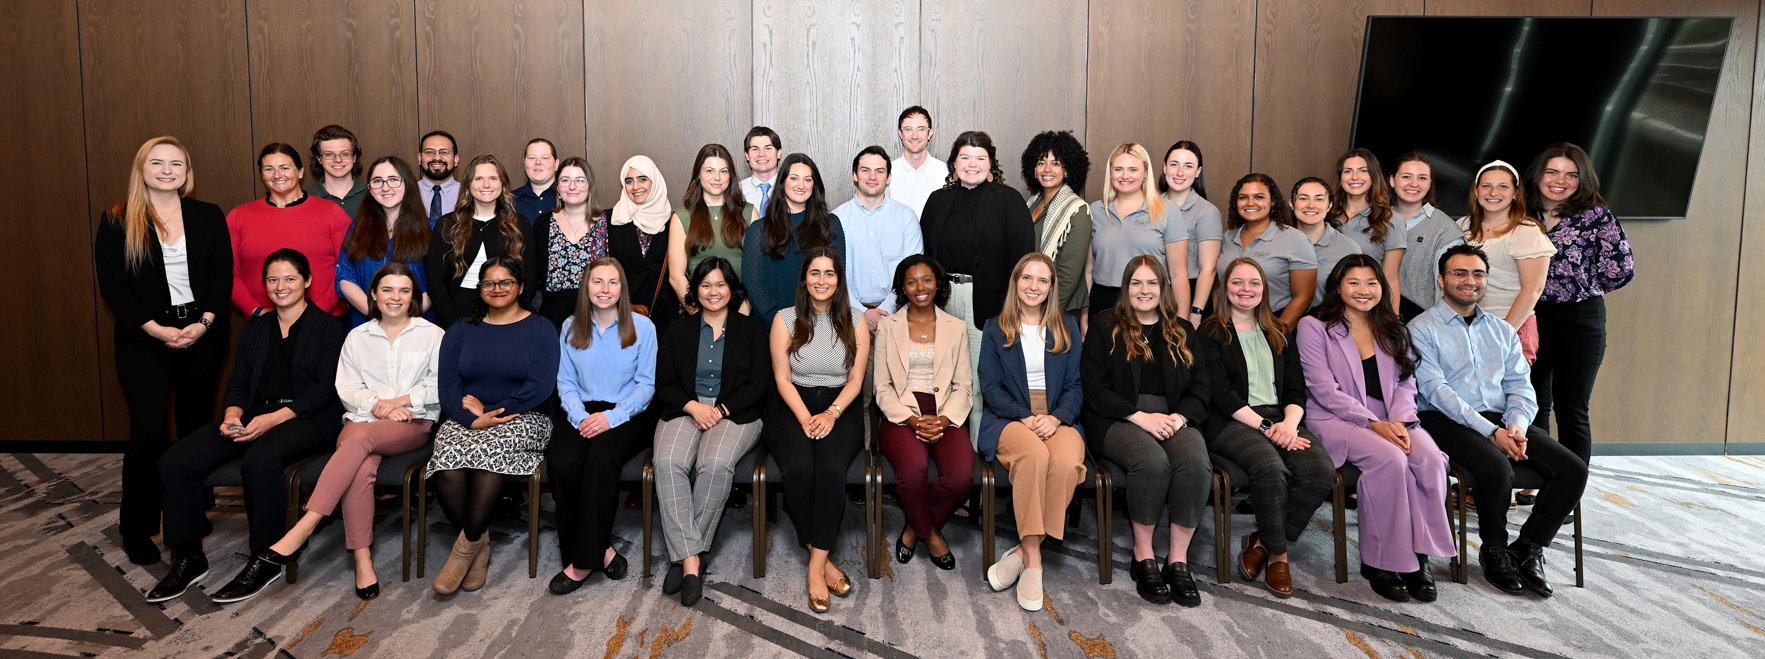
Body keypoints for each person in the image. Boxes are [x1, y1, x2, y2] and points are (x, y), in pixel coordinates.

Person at [223, 262, 443, 602]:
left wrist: (397, 403)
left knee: (360, 440)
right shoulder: (357, 336)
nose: (395, 297)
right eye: (387, 289)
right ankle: (362, 559)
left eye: (404, 290)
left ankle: (304, 527)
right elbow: (347, 388)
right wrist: (378, 406)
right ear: (373, 294)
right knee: (361, 467)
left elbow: (437, 385)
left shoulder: (432, 335)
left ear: (413, 296)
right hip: (361, 418)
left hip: (411, 422)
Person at [147, 249, 345, 603]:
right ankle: (188, 556)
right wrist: (232, 415)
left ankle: (266, 557)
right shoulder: (256, 327)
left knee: (260, 460)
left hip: (308, 419)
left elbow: (325, 390)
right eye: (273, 280)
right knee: (175, 462)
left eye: (290, 279)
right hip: (254, 414)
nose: (281, 286)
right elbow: (238, 382)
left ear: (307, 281)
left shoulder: (329, 328)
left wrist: (273, 419)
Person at [1410, 245, 1588, 598]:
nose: (1470, 281)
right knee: (1495, 467)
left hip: (1502, 418)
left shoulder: (1502, 330)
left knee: (1573, 469)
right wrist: (1492, 432)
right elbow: (1437, 391)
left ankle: (1528, 547)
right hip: (1444, 419)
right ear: (1441, 280)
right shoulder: (1421, 329)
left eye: (1478, 274)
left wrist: (1517, 426)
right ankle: (1494, 550)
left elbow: (1520, 386)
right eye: (1460, 273)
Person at [94, 136, 232, 566]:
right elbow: (114, 287)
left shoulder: (208, 215)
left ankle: (188, 516)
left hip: (201, 332)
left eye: (176, 163)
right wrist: (156, 329)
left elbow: (222, 274)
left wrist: (203, 323)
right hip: (144, 337)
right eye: (157, 162)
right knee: (149, 433)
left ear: (187, 172)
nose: (167, 170)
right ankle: (136, 527)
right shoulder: (117, 220)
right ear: (142, 169)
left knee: (195, 428)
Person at [1297, 255, 1454, 603]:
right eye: (1353, 282)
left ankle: (1418, 556)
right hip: (1337, 418)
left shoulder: (1392, 326)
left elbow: (1406, 382)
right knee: (1391, 460)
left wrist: (1397, 421)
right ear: (1338, 287)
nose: (1363, 290)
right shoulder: (1314, 326)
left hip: (1393, 416)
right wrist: (1374, 423)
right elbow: (1323, 390)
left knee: (1429, 459)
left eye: (1371, 283)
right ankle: (1381, 561)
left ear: (1382, 287)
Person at [1195, 258, 1333, 599]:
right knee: (1270, 468)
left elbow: (1296, 390)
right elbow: (1220, 393)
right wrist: (1268, 427)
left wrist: (1289, 423)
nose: (1246, 289)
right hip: (1231, 420)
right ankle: (1279, 556)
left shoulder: (1280, 331)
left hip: (1281, 418)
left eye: (1254, 283)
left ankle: (1261, 541)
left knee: (1319, 471)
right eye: (1237, 282)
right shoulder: (1211, 332)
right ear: (1224, 289)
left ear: (1264, 289)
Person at [1080, 255, 1211, 607]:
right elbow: (1094, 388)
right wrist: (1140, 417)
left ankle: (1178, 560)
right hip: (1117, 416)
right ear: (1126, 288)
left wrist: (1180, 418)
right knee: (1152, 462)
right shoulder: (1105, 325)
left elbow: (1201, 388)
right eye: (1136, 283)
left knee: (1195, 464)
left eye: (1152, 283)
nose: (1144, 290)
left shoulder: (1181, 329)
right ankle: (1144, 556)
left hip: (1173, 415)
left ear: (1163, 288)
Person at [426, 257, 559, 596]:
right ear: (480, 288)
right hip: (466, 417)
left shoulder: (541, 328)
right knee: (445, 462)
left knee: (489, 456)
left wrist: (489, 412)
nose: (497, 288)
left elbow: (540, 386)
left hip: (524, 415)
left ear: (520, 287)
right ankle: (479, 541)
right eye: (489, 283)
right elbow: (448, 387)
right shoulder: (460, 330)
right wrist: (472, 419)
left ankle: (463, 550)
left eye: (505, 282)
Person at [651, 258, 769, 606]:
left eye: (720, 284)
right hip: (686, 407)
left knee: (714, 464)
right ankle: (692, 560)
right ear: (696, 290)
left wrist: (719, 409)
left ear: (731, 289)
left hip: (735, 412)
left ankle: (684, 557)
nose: (713, 292)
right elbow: (665, 383)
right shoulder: (678, 331)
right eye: (705, 285)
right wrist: (694, 407)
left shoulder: (751, 330)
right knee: (667, 462)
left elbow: (758, 384)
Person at [977, 253, 1085, 613]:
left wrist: (1056, 418)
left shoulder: (1067, 327)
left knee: (1067, 462)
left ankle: (1023, 550)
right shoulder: (995, 328)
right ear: (1015, 282)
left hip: (1057, 416)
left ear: (1052, 287)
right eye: (1027, 278)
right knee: (1035, 456)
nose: (1034, 286)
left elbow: (1076, 384)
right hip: (1010, 418)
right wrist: (1024, 416)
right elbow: (991, 387)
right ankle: (1035, 561)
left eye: (1042, 280)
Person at [766, 247, 869, 613]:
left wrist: (831, 413)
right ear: (804, 279)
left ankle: (814, 567)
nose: (822, 280)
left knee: (830, 469)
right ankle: (823, 561)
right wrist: (805, 416)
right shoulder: (784, 319)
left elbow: (856, 380)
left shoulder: (856, 321)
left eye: (829, 273)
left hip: (840, 405)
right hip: (792, 403)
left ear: (838, 280)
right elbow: (782, 379)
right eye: (815, 273)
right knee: (798, 467)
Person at [548, 258, 658, 595]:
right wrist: (580, 417)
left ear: (622, 289)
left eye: (613, 282)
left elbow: (646, 386)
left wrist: (611, 418)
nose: (605, 289)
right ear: (587, 287)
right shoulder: (570, 327)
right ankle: (603, 549)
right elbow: (565, 382)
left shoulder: (643, 327)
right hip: (581, 410)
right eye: (597, 282)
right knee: (563, 462)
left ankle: (581, 563)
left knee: (600, 459)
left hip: (628, 413)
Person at [1525, 143, 1634, 467]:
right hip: (1529, 317)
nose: (1560, 181)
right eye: (1552, 172)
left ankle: (1570, 487)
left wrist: (1580, 286)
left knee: (1571, 408)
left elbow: (1622, 268)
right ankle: (1537, 477)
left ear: (1582, 179)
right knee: (1531, 403)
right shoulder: (1521, 213)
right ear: (1538, 174)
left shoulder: (1596, 216)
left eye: (1571, 174)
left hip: (1579, 320)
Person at [921, 131, 1036, 429]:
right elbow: (925, 255)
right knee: (941, 375)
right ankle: (946, 441)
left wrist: (1013, 306)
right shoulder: (937, 201)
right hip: (942, 299)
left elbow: (1023, 260)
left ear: (991, 163)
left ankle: (976, 446)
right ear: (953, 162)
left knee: (975, 379)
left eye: (980, 158)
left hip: (985, 300)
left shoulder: (1009, 201)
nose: (972, 164)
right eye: (965, 157)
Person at [874, 255, 973, 570]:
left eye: (927, 280)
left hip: (944, 411)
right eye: (912, 281)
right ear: (902, 288)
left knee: (960, 477)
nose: (920, 288)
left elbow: (963, 385)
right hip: (901, 413)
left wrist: (944, 419)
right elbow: (882, 387)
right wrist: (911, 419)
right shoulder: (888, 326)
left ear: (938, 284)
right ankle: (931, 535)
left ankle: (914, 527)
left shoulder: (956, 327)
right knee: (912, 470)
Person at [229, 143, 352, 317]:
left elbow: (347, 269)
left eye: (284, 168)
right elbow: (229, 273)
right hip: (262, 321)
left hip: (325, 318)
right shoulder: (238, 217)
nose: (277, 175)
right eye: (269, 169)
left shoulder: (331, 213)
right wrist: (255, 310)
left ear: (300, 172)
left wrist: (315, 314)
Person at [425, 155, 541, 327]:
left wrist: (511, 316)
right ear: (468, 184)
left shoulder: (519, 224)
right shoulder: (448, 224)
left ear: (502, 184)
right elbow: (435, 282)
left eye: (493, 178)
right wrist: (452, 324)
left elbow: (529, 279)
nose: (486, 185)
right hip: (456, 316)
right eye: (478, 179)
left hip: (508, 316)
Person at [1458, 161, 1556, 363]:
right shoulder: (1462, 226)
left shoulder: (1526, 231)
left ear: (1515, 193)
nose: (1493, 192)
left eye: (1503, 186)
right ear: (1476, 191)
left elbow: (1533, 290)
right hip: (1465, 328)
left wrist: (1502, 335)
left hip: (1510, 329)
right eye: (1486, 186)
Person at [742, 153, 847, 321]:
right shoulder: (758, 230)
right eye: (794, 178)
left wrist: (814, 323)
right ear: (782, 182)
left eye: (808, 179)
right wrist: (780, 324)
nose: (801, 185)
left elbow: (835, 277)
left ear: (814, 185)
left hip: (820, 322)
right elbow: (753, 285)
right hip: (770, 325)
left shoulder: (830, 225)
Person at [336, 156, 431, 327]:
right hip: (366, 323)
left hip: (417, 325)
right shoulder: (357, 229)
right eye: (377, 181)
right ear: (370, 189)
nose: (385, 187)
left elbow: (437, 283)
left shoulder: (431, 229)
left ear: (407, 184)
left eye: (393, 179)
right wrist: (376, 315)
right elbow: (345, 276)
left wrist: (403, 318)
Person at [836, 145, 924, 331]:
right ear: (854, 175)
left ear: (889, 177)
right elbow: (832, 273)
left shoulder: (906, 218)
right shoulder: (836, 219)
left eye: (879, 171)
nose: (872, 177)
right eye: (865, 170)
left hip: (898, 315)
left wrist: (885, 311)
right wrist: (861, 313)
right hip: (848, 316)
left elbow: (912, 270)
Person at [1218, 173, 1316, 332]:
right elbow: (1219, 285)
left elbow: (1304, 296)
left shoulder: (1295, 239)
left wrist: (1277, 333)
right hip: (1229, 326)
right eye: (1243, 197)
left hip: (1273, 324)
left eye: (1259, 197)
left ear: (1272, 201)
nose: (1250, 203)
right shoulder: (1227, 237)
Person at [1087, 143, 1177, 313]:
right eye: (1118, 169)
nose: (1125, 176)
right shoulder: (1096, 210)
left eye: (1133, 170)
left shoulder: (1167, 210)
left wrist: (1182, 319)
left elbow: (1178, 275)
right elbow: (1088, 272)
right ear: (1110, 173)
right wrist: (1085, 313)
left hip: (1149, 300)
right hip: (1103, 302)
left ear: (1145, 172)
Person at [666, 144, 755, 313]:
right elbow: (676, 277)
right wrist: (700, 317)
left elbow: (757, 272)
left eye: (723, 171)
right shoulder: (682, 216)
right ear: (698, 174)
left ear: (731, 175)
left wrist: (742, 315)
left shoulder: (749, 213)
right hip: (699, 311)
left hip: (742, 311)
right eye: (709, 171)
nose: (717, 177)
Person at [1020, 130, 1092, 318]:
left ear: (1067, 170)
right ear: (1033, 169)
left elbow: (1069, 274)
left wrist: (1049, 312)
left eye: (1055, 163)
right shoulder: (1031, 203)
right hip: (1032, 299)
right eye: (1041, 162)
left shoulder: (1077, 210)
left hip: (1060, 307)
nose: (1047, 169)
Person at [1388, 152, 1463, 320]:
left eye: (1422, 178)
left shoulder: (1446, 231)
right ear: (1392, 180)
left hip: (1421, 322)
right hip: (1372, 316)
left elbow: (1451, 291)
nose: (1414, 183)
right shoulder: (1376, 221)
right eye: (1406, 176)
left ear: (1429, 184)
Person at [534, 157, 608, 326]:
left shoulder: (606, 223)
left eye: (580, 180)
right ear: (557, 187)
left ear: (589, 186)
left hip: (596, 315)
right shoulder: (543, 223)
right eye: (565, 180)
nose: (572, 187)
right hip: (552, 317)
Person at [1330, 148, 1406, 312]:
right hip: (1323, 307)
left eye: (1362, 170)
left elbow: (1390, 278)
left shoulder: (1390, 219)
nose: (1354, 177)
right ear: (1340, 177)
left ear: (1373, 175)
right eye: (1348, 171)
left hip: (1366, 308)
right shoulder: (1326, 214)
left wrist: (1393, 321)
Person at [1158, 141, 1223, 325]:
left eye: (1188, 166)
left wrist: (1195, 313)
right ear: (1165, 167)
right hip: (1154, 293)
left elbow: (1208, 269)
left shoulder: (1207, 212)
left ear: (1197, 172)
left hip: (1194, 294)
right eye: (1174, 164)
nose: (1180, 172)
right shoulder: (1150, 206)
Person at [609, 155, 677, 324]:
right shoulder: (611, 218)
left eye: (643, 179)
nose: (635, 187)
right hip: (619, 313)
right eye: (629, 181)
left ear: (655, 181)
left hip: (664, 314)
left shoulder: (673, 220)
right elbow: (598, 267)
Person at [1290, 176, 1362, 306]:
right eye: (1303, 198)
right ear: (1291, 203)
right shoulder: (1277, 242)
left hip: (1326, 318)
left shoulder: (1348, 249)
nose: (1311, 205)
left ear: (1329, 205)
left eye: (1319, 199)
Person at [889, 106, 948, 217]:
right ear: (900, 134)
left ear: (930, 133)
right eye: (908, 129)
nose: (914, 136)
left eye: (921, 129)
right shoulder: (887, 174)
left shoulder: (945, 173)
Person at [307, 125, 367, 219]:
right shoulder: (307, 199)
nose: (338, 160)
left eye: (345, 154)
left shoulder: (372, 195)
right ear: (319, 159)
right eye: (329, 154)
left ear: (354, 157)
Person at [417, 131, 461, 226]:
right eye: (429, 152)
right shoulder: (405, 192)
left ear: (456, 159)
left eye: (444, 152)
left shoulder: (468, 193)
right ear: (420, 158)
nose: (437, 158)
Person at [512, 138, 560, 223]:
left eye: (545, 158)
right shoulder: (510, 201)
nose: (538, 162)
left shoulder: (568, 198)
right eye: (531, 158)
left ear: (556, 164)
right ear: (524, 163)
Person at [738, 126, 782, 214]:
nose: (761, 154)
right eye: (755, 149)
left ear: (779, 153)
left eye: (768, 148)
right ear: (747, 155)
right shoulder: (736, 190)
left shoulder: (791, 189)